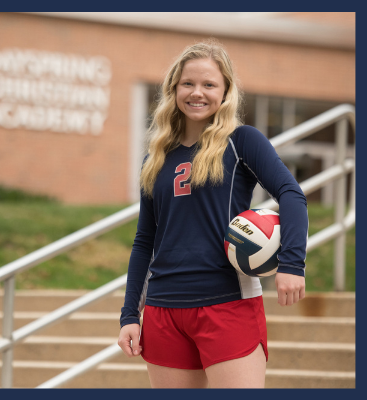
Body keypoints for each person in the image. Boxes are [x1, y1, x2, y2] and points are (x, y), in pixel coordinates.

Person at [118, 39, 308, 389]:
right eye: (188, 83)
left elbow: (291, 195)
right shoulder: (155, 159)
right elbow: (145, 241)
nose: (197, 93)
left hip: (228, 302)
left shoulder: (242, 141)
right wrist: (130, 314)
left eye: (209, 84)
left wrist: (292, 264)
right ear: (174, 88)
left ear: (226, 91)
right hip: (163, 310)